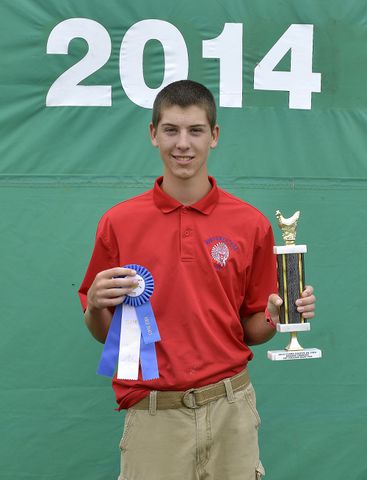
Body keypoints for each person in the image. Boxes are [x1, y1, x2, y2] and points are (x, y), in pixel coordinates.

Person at [78, 80, 316, 480]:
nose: (182, 143)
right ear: (153, 135)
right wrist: (96, 306)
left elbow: (253, 329)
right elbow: (106, 335)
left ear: (214, 136)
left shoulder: (251, 224)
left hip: (231, 409)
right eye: (171, 130)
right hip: (155, 415)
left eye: (195, 131)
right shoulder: (118, 223)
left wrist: (278, 316)